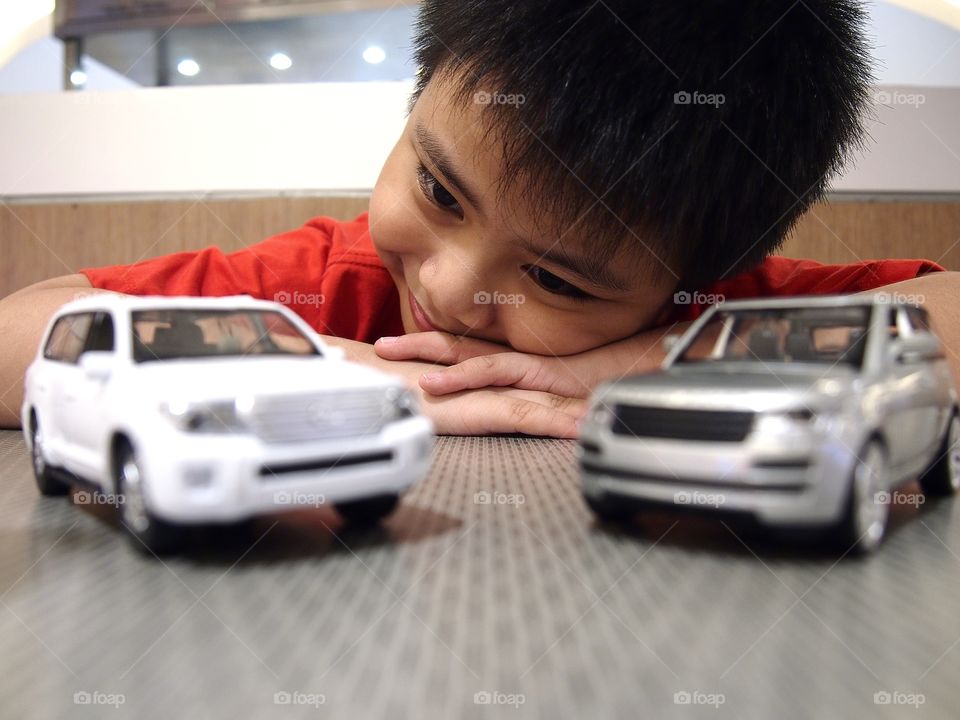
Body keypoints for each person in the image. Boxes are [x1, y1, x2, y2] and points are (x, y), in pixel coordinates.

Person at [1, 0, 955, 436]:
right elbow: (16, 335)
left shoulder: (714, 312)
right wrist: (306, 369)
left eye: (556, 279)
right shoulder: (327, 289)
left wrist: (640, 369)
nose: (452, 288)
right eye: (440, 191)